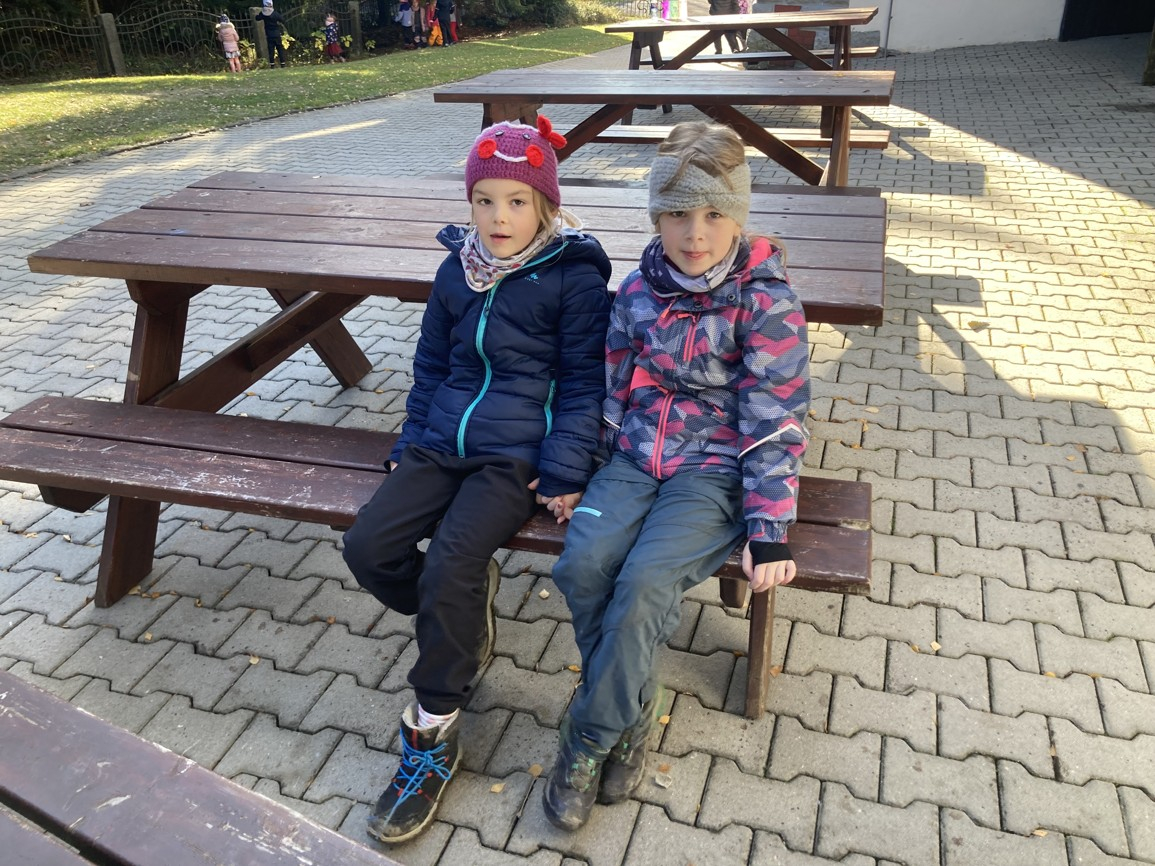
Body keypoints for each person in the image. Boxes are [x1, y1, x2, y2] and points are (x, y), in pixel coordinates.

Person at [341, 115, 613, 844]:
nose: (499, 217)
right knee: (367, 548)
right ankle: (460, 621)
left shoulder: (573, 277)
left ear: (544, 206)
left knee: (451, 564)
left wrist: (564, 467)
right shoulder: (455, 271)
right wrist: (410, 438)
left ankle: (432, 731)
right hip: (438, 443)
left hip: (513, 458)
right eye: (485, 200)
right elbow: (431, 364)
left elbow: (584, 385)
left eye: (517, 202)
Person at [542, 121, 811, 831]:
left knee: (643, 585)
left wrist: (768, 526)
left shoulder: (765, 301)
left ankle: (588, 739)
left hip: (713, 473)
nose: (696, 233)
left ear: (738, 216)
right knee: (583, 564)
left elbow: (775, 419)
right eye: (678, 213)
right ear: (656, 215)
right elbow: (611, 387)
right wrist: (580, 471)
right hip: (632, 459)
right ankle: (634, 709)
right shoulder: (637, 290)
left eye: (715, 214)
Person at [257, 0, 288, 67]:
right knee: (279, 48)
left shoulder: (263, 14)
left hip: (269, 34)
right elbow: (282, 20)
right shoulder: (275, 13)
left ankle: (272, 64)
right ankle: (282, 63)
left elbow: (257, 18)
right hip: (276, 33)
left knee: (271, 50)